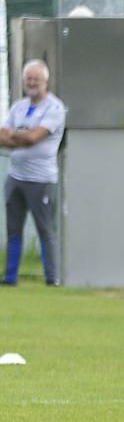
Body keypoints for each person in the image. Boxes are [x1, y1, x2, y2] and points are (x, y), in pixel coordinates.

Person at [0, 60, 66, 286]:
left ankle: (52, 278)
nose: (32, 82)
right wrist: (22, 135)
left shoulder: (55, 108)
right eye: (29, 78)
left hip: (41, 180)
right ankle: (10, 277)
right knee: (13, 230)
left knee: (45, 229)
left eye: (36, 78)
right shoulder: (18, 106)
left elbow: (33, 138)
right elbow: (3, 137)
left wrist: (16, 135)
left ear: (45, 81)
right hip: (15, 177)